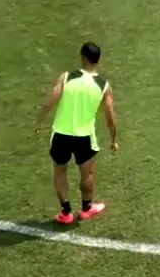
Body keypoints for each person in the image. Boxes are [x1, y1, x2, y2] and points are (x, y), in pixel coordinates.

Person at [36, 41, 118, 225]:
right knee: (87, 173)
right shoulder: (103, 86)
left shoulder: (66, 78)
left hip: (61, 135)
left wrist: (39, 122)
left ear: (82, 57)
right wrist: (113, 139)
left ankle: (66, 213)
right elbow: (110, 117)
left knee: (60, 172)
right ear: (97, 60)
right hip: (84, 137)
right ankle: (87, 209)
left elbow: (49, 102)